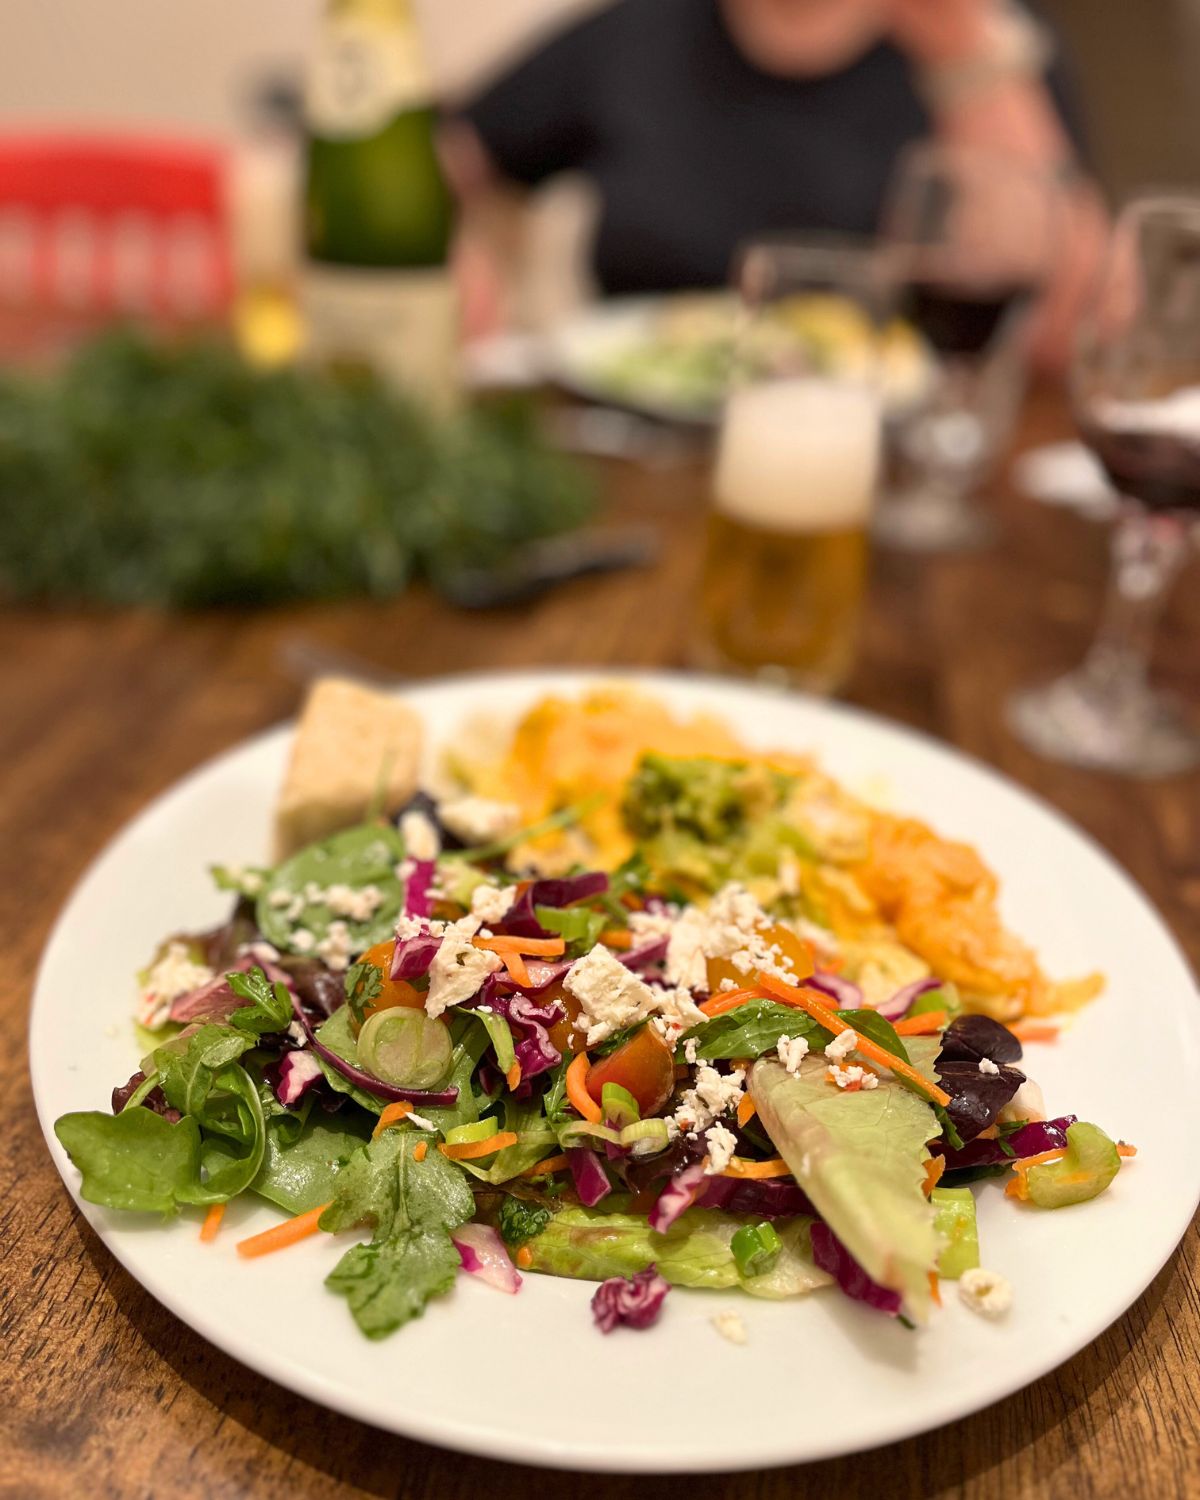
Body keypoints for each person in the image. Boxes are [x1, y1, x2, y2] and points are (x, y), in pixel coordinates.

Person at [443, 0, 1108, 366]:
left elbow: (1067, 334)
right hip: (638, 456)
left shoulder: (984, 42)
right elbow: (437, 157)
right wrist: (440, 255)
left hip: (893, 486)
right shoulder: (638, 31)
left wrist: (966, 56)